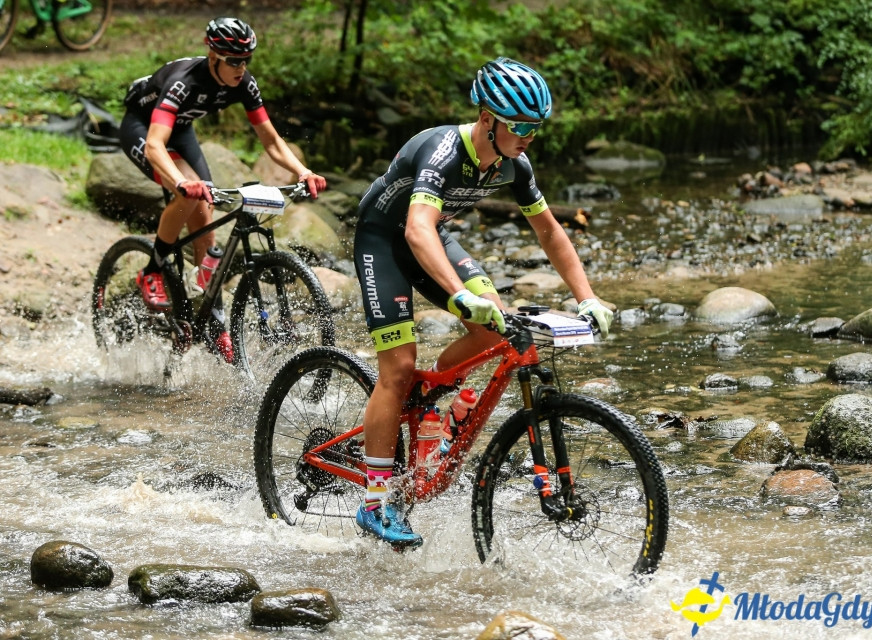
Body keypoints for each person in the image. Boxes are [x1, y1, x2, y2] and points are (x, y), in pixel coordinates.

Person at [352, 57, 614, 547]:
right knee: (398, 367)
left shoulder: (515, 164)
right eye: (520, 126)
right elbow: (415, 227)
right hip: (385, 239)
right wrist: (456, 294)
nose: (529, 136)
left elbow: (550, 232)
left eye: (537, 127)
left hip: (430, 236)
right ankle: (374, 503)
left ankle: (433, 401)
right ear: (487, 118)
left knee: (497, 324)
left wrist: (588, 297)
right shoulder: (442, 151)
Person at [119, 17, 326, 362]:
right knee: (188, 194)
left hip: (181, 128)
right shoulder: (183, 83)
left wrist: (303, 171)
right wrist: (181, 182)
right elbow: (155, 145)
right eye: (233, 60)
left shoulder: (244, 83)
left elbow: (271, 140)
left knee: (205, 218)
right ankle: (152, 271)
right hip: (143, 127)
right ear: (212, 54)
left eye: (246, 60)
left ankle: (212, 324)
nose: (240, 68)